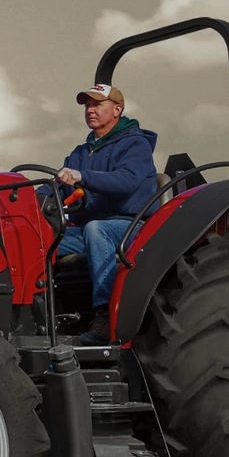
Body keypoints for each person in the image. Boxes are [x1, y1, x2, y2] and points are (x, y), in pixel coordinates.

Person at [53, 83, 158, 344]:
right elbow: (57, 186)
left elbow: (126, 181)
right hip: (86, 229)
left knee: (96, 229)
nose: (90, 110)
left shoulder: (135, 144)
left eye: (97, 104)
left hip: (130, 227)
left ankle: (105, 315)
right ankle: (42, 313)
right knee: (40, 238)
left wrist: (83, 177)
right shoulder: (80, 152)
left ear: (117, 110)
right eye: (87, 105)